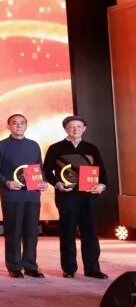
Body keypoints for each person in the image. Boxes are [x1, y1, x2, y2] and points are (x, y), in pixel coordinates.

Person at [44, 115, 109, 279]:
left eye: (79, 126)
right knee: (67, 231)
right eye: (72, 126)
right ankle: (69, 268)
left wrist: (102, 185)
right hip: (67, 196)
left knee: (90, 232)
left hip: (89, 196)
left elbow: (101, 171)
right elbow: (47, 171)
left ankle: (92, 269)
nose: (75, 129)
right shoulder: (56, 148)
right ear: (65, 129)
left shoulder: (91, 148)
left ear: (84, 129)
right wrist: (57, 184)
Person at [0, 114, 48, 278]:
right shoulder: (1, 146)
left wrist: (43, 182)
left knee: (31, 231)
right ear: (8, 126)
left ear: (26, 125)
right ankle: (14, 266)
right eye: (15, 123)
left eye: (22, 123)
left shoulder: (33, 145)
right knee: (13, 231)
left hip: (32, 194)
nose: (18, 126)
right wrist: (6, 182)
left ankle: (30, 266)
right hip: (12, 194)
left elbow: (39, 168)